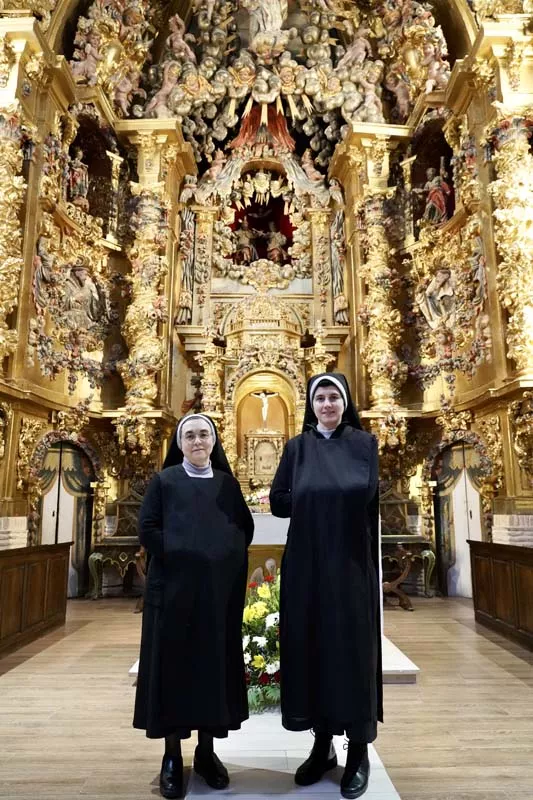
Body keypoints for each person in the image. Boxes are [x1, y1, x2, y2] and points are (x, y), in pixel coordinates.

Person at [269, 373, 382, 800]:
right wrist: (311, 495)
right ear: (311, 405)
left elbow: (369, 495)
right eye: (321, 397)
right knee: (312, 650)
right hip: (307, 565)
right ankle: (321, 746)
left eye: (335, 397)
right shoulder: (297, 448)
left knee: (351, 652)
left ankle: (357, 751)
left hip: (350, 566)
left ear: (345, 401)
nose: (328, 404)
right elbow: (279, 501)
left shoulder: (364, 444)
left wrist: (315, 494)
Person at [133, 413, 254, 799]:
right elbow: (148, 529)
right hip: (172, 595)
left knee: (210, 672)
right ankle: (172, 755)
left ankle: (206, 752)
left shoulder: (227, 485)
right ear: (179, 442)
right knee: (173, 672)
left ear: (215, 441)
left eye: (204, 435)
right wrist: (186, 554)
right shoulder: (164, 481)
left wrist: (221, 558)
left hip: (215, 598)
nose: (198, 441)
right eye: (190, 436)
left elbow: (244, 530)